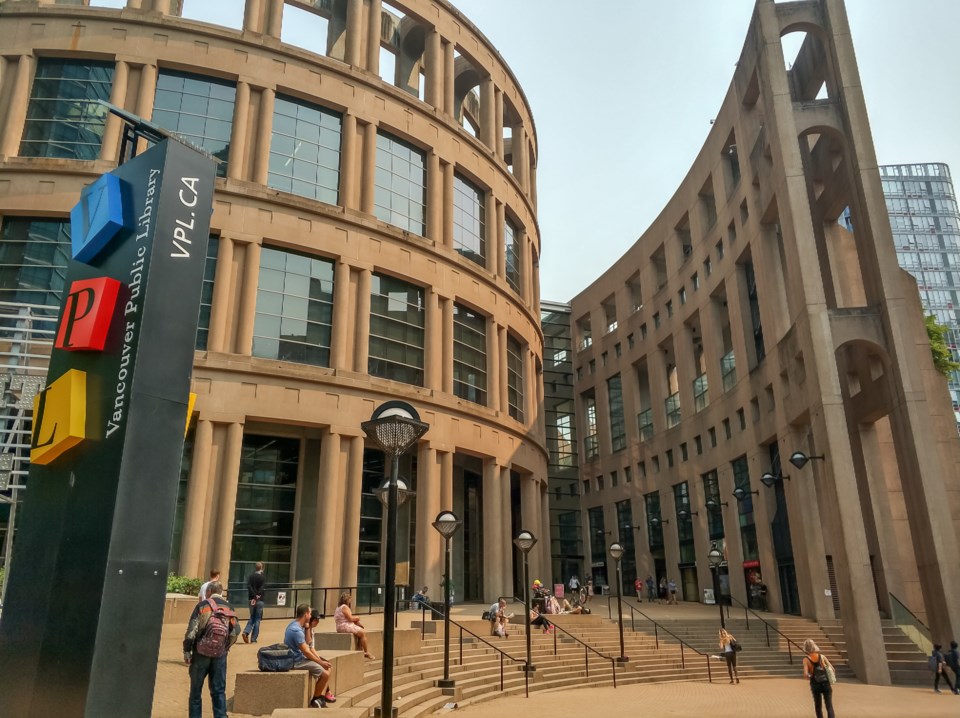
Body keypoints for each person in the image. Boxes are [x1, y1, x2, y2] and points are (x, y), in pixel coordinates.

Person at [182, 581, 240, 718]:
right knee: (219, 691)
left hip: (200, 653)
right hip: (220, 655)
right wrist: (225, 647)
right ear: (221, 592)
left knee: (196, 692)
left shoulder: (202, 606)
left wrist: (187, 651)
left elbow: (191, 632)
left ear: (208, 592)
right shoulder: (229, 608)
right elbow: (235, 632)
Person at [285, 603, 336, 708]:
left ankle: (320, 697)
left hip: (298, 658)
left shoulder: (294, 625)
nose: (311, 615)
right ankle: (316, 699)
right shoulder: (296, 630)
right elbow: (306, 651)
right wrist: (320, 662)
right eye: (309, 613)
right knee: (325, 673)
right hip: (296, 661)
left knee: (327, 668)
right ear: (306, 614)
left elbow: (308, 644)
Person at [334, 592, 374, 659]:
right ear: (347, 599)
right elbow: (350, 618)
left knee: (359, 631)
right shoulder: (344, 607)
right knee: (363, 633)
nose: (350, 601)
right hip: (344, 626)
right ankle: (366, 652)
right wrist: (358, 618)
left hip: (340, 626)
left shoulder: (338, 608)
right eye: (349, 599)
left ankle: (359, 650)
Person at [803, 639, 835, 718]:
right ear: (814, 646)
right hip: (826, 683)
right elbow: (832, 669)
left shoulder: (806, 659)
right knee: (829, 705)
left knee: (818, 706)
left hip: (815, 684)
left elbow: (806, 675)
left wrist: (810, 676)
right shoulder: (822, 657)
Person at [242, 562, 265, 644]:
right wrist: (258, 595)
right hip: (260, 600)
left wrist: (254, 595)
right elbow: (262, 587)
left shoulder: (251, 577)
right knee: (257, 619)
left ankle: (246, 632)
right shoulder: (262, 577)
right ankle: (253, 638)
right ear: (262, 568)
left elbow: (249, 586)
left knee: (252, 617)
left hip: (251, 599)